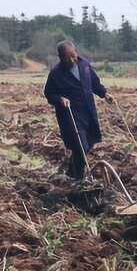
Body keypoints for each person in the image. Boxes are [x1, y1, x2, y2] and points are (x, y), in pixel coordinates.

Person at [44, 40, 115, 180]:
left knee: (88, 144)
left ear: (76, 51)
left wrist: (105, 94)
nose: (72, 59)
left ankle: (71, 172)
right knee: (80, 146)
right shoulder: (56, 73)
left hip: (88, 112)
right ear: (61, 57)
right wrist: (60, 99)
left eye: (73, 55)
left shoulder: (85, 65)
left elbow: (95, 83)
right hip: (70, 116)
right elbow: (49, 93)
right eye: (67, 57)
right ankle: (79, 178)